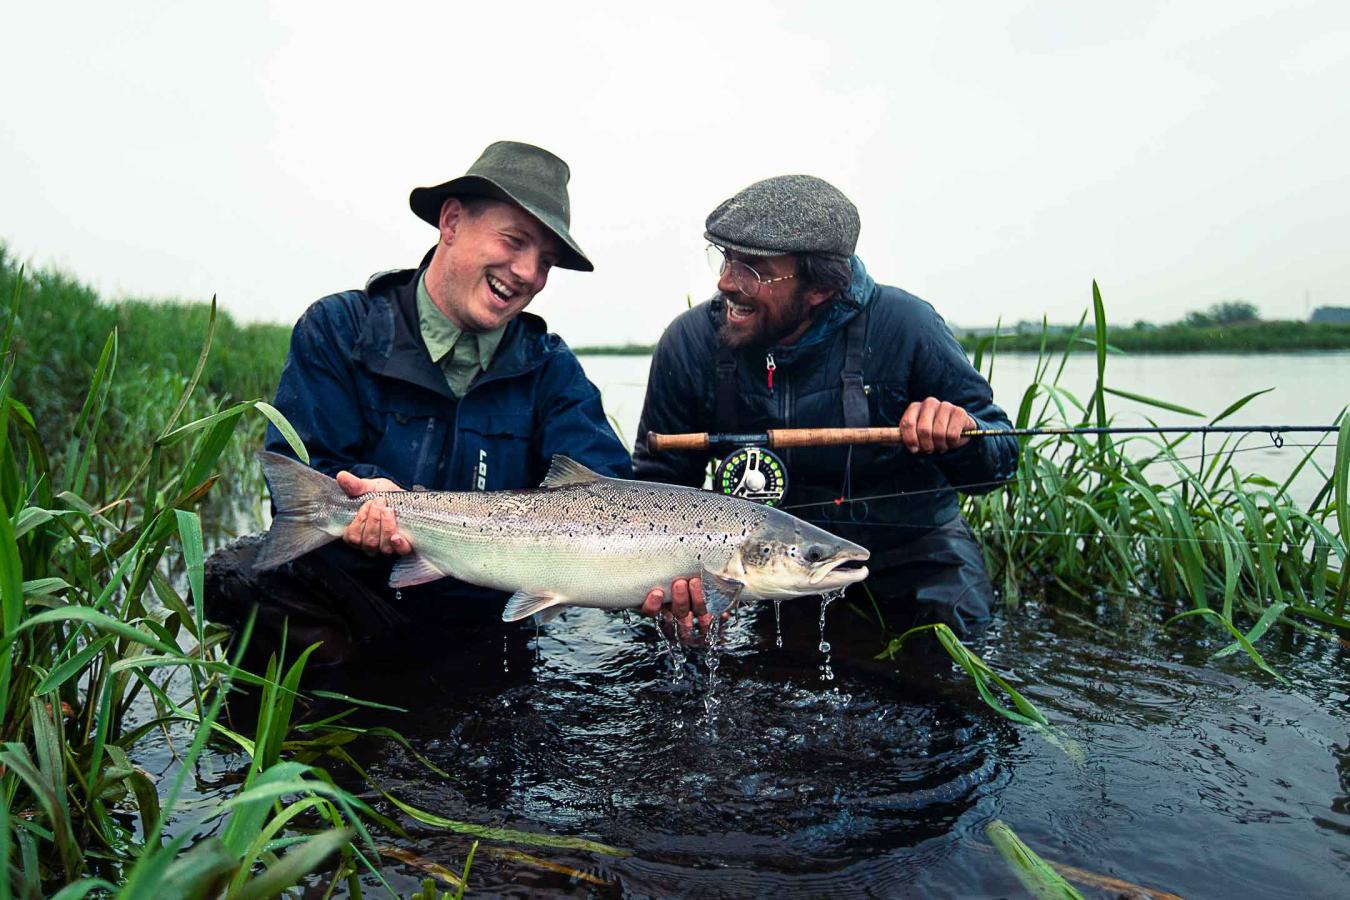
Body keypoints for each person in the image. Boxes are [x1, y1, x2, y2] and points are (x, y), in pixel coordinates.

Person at [204, 141, 630, 683]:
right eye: (515, 241)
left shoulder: (551, 370)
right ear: (451, 222)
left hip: (481, 620)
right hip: (357, 601)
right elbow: (305, 477)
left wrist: (657, 571)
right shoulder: (340, 329)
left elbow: (613, 490)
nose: (527, 272)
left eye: (545, 261)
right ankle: (292, 749)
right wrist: (366, 497)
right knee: (237, 576)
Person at [633, 174, 1019, 640]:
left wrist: (963, 434)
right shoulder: (690, 343)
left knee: (955, 692)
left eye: (753, 268)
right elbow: (656, 492)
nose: (725, 282)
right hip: (777, 568)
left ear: (819, 288)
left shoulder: (907, 325)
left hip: (922, 562)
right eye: (726, 258)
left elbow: (1000, 462)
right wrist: (676, 588)